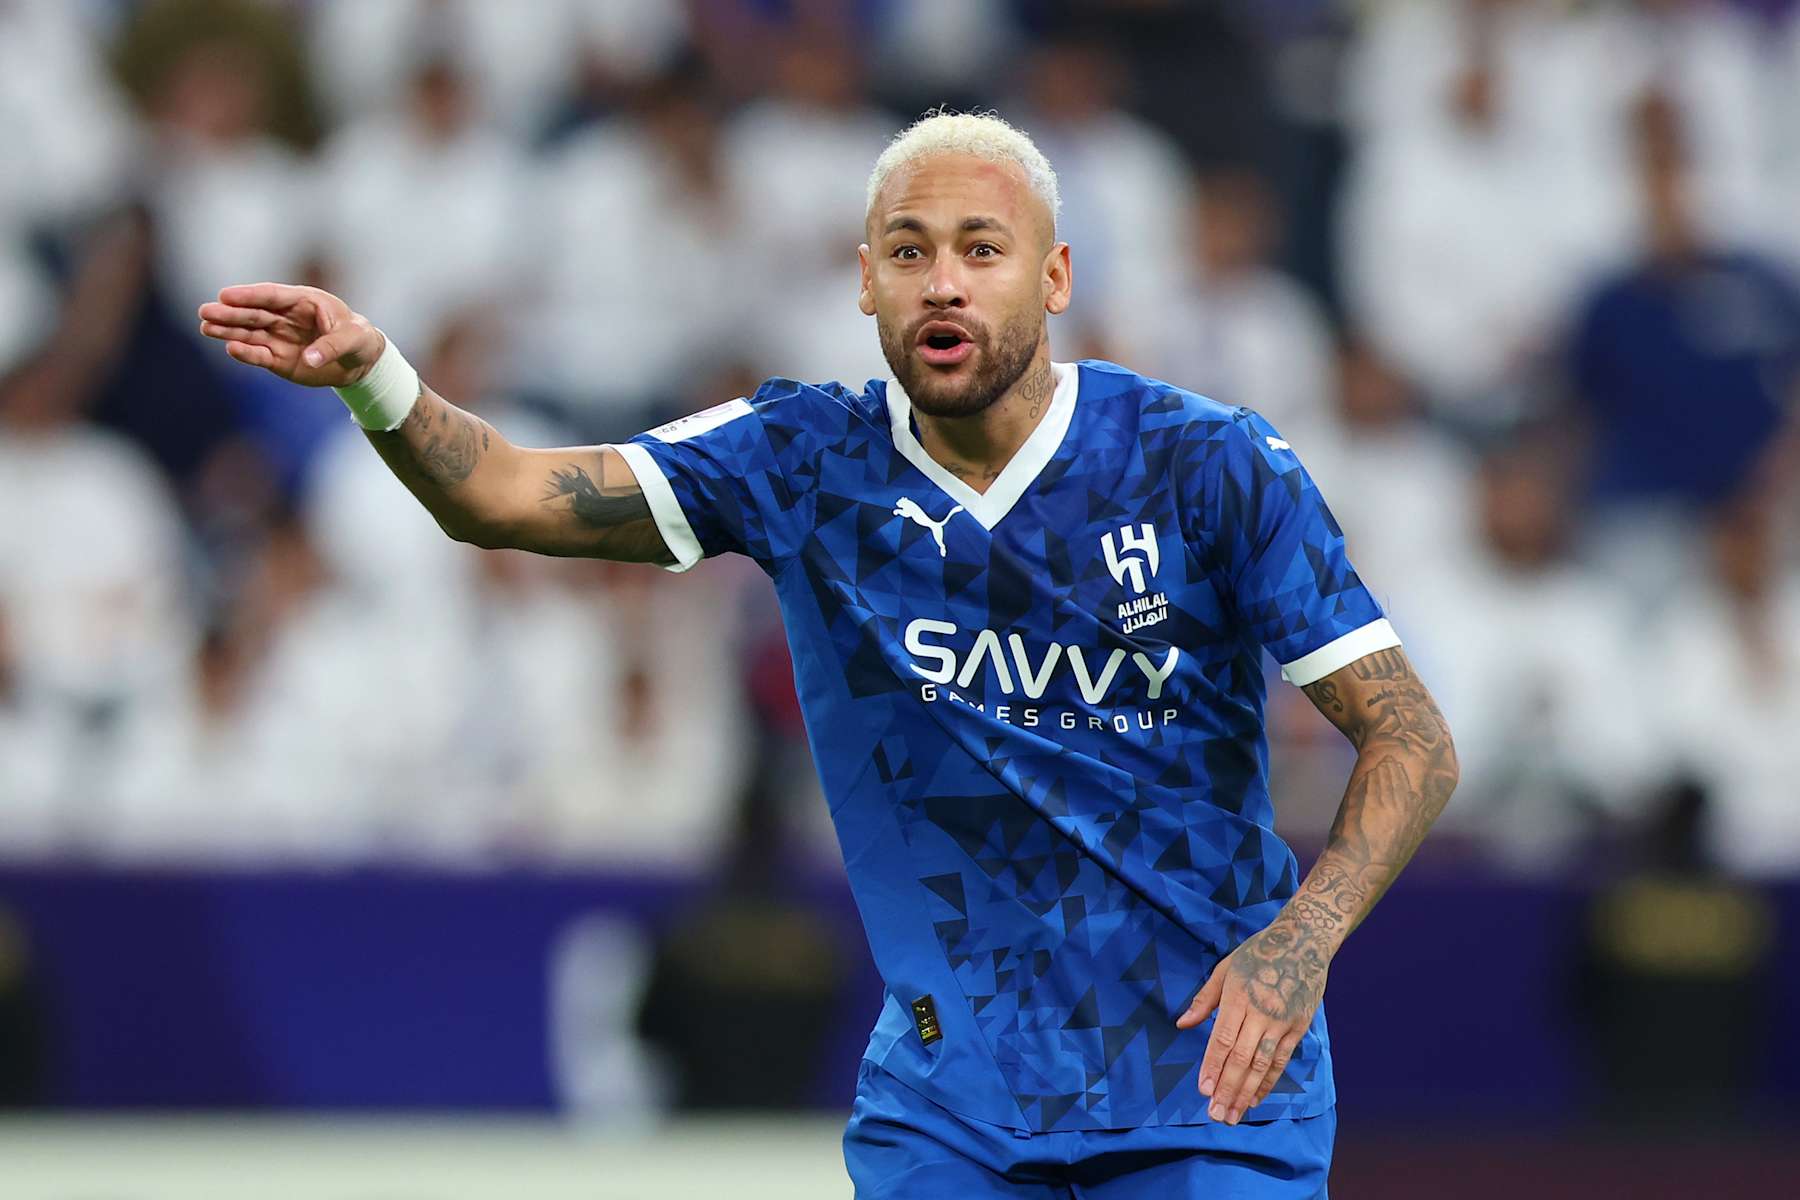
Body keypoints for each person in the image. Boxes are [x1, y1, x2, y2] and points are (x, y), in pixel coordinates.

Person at [198, 112, 1458, 1199]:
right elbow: (507, 496)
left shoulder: (1205, 463)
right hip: (953, 1112)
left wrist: (1300, 944)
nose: (943, 283)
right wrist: (375, 377)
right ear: (864, 283)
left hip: (1210, 1087)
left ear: (1055, 277)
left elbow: (1413, 738)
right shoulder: (802, 463)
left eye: (982, 250)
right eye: (909, 252)